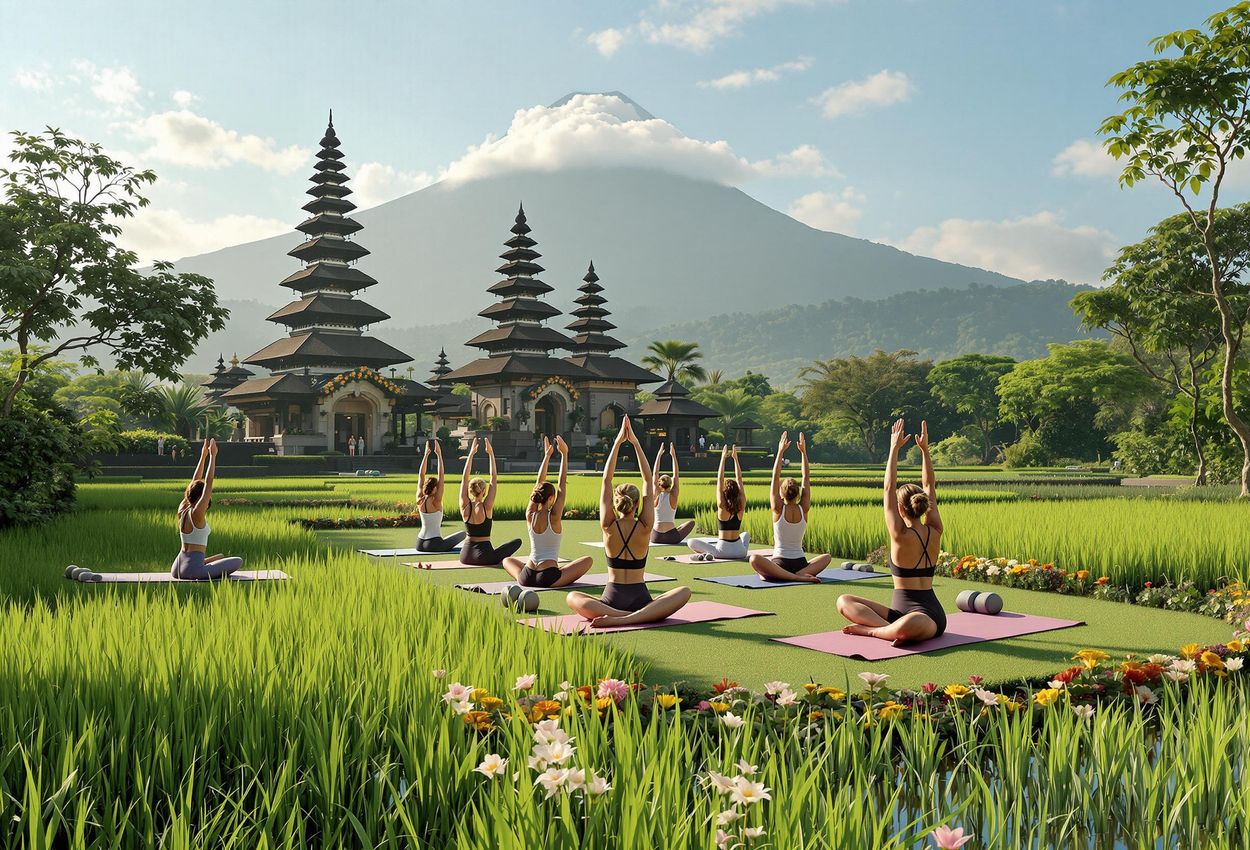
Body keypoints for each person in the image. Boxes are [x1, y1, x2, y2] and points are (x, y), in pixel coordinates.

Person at [567, 416, 691, 627]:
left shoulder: (608, 526)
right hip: (640, 599)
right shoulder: (644, 527)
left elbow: (606, 480)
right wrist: (635, 442)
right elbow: (648, 479)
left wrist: (617, 443)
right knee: (684, 592)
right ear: (636, 504)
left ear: (615, 504)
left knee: (572, 597)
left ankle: (618, 616)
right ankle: (635, 617)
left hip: (611, 600)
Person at [837, 419, 946, 644]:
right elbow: (930, 486)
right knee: (843, 600)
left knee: (910, 624)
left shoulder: (899, 534)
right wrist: (925, 451)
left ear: (899, 509)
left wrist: (893, 448)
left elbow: (889, 487)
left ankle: (874, 631)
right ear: (924, 505)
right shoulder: (935, 529)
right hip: (899, 616)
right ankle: (891, 630)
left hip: (926, 618)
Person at [503, 436, 593, 587]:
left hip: (527, 576)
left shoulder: (530, 515)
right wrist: (564, 454)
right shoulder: (554, 517)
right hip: (548, 577)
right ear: (551, 498)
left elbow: (538, 484)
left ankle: (524, 578)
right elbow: (562, 486)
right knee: (588, 560)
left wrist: (547, 456)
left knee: (507, 560)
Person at [748, 432, 833, 582]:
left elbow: (775, 476)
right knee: (827, 557)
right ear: (798, 494)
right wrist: (803, 452)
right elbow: (806, 477)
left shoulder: (778, 509)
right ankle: (800, 574)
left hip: (780, 563)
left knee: (754, 559)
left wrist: (780, 451)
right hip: (801, 563)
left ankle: (792, 577)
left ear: (781, 493)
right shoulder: (804, 508)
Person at [171, 438, 244, 580]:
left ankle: (203, 563)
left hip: (177, 567)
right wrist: (213, 456)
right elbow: (209, 482)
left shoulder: (183, 509)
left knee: (221, 557)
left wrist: (203, 456)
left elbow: (194, 482)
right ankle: (202, 565)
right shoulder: (196, 513)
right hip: (192, 570)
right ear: (201, 496)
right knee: (238, 561)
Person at [458, 437, 522, 566]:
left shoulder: (464, 505)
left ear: (470, 491)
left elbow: (465, 478)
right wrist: (491, 454)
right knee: (517, 542)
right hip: (483, 557)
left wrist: (471, 454)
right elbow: (493, 479)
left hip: (465, 556)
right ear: (484, 491)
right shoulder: (487, 506)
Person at [687, 445, 749, 561]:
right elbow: (739, 479)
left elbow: (720, 479)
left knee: (691, 542)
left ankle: (705, 554)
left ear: (725, 492)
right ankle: (705, 554)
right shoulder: (741, 505)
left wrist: (722, 458)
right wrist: (735, 459)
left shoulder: (722, 506)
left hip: (722, 552)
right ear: (737, 492)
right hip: (741, 552)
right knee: (745, 534)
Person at [415, 439, 467, 553]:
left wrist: (426, 455)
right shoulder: (436, 500)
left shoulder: (420, 498)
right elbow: (441, 475)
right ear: (434, 488)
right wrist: (439, 455)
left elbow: (421, 475)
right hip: (433, 544)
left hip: (419, 542)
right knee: (464, 534)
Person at [649, 442, 696, 545]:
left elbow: (655, 473)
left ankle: (675, 529)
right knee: (691, 523)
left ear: (659, 484)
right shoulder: (674, 494)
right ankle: (675, 529)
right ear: (670, 484)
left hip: (655, 536)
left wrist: (659, 454)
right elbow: (676, 475)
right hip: (671, 537)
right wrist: (673, 456)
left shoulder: (656, 494)